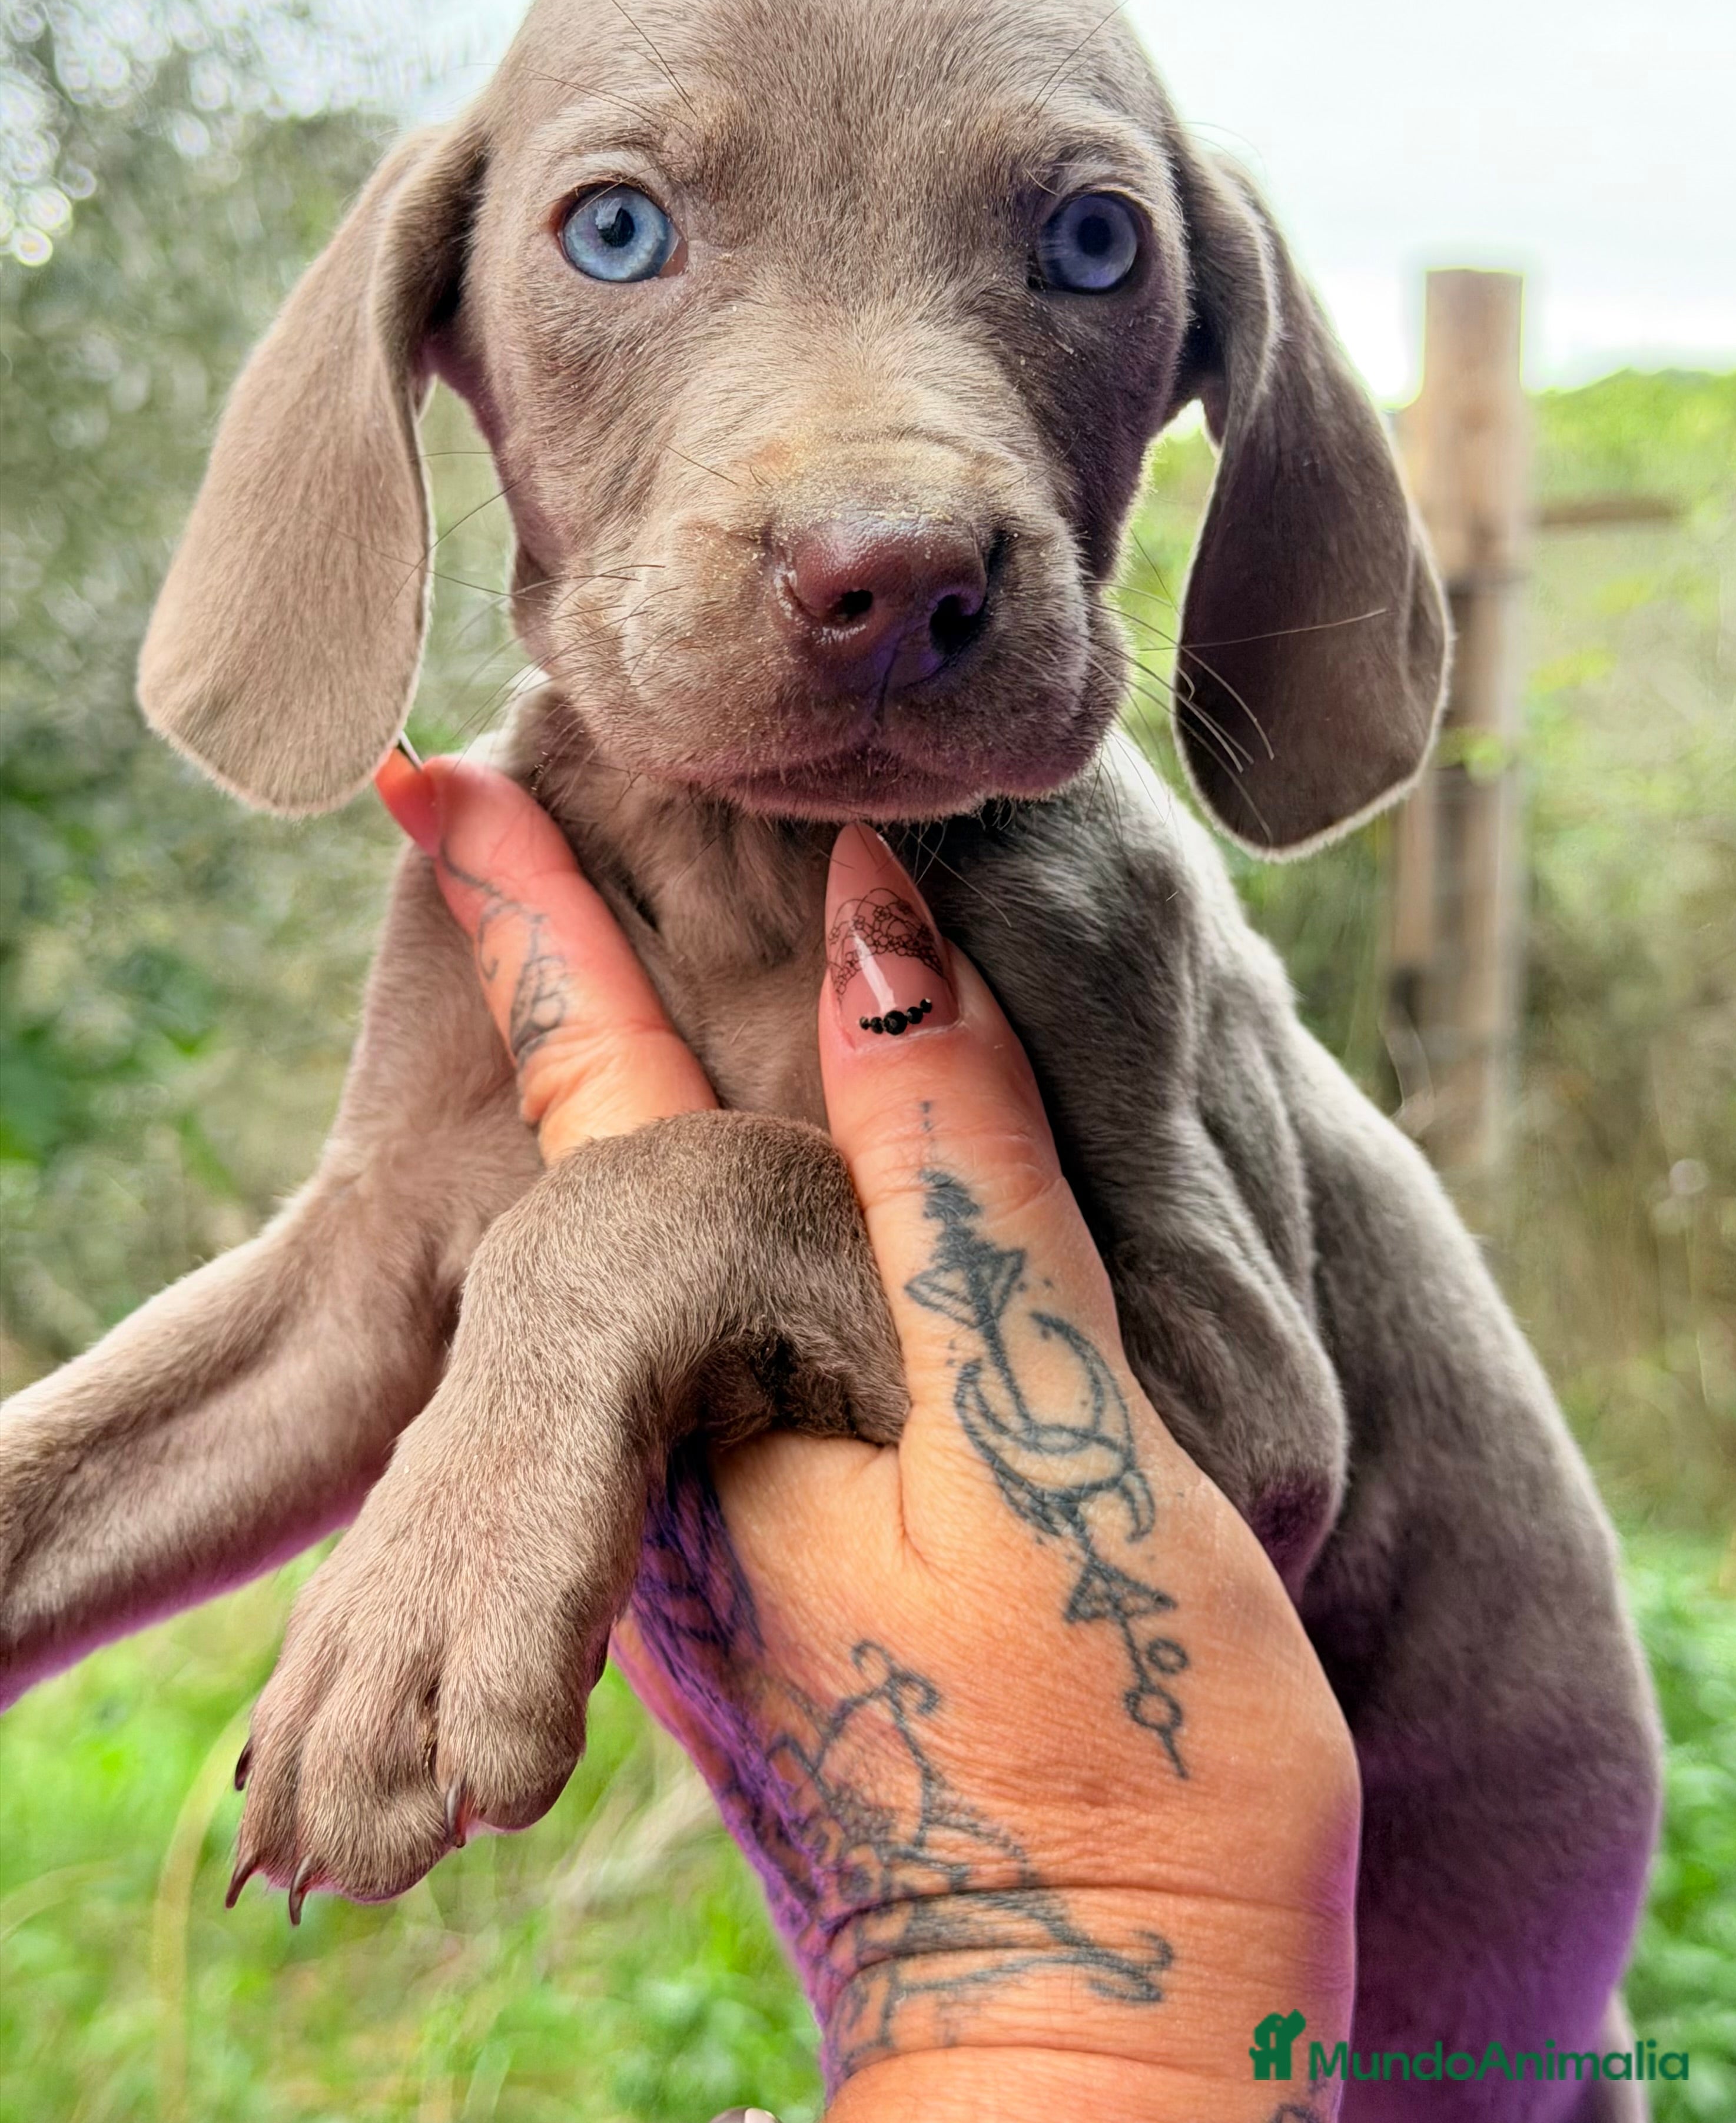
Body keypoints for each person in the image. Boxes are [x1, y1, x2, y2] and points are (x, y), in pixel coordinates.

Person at [377, 748, 1360, 2122]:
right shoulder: (558, 794)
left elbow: (1253, 1449)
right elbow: (353, 1288)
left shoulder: (1085, 869)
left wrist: (662, 1238)